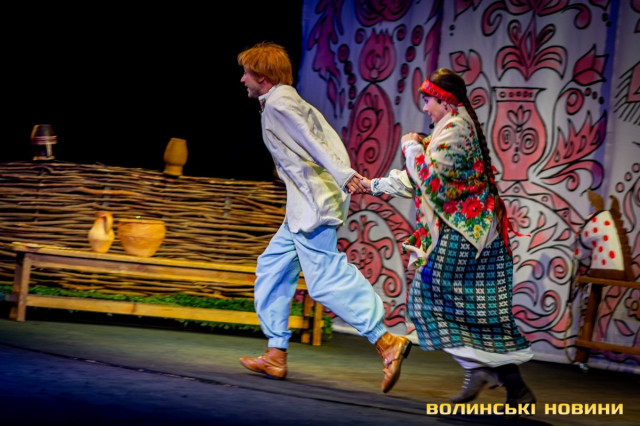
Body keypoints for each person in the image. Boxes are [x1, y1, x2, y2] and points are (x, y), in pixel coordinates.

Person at [236, 41, 411, 393]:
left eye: (247, 73)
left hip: (312, 206)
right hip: (305, 203)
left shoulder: (280, 103)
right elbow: (325, 139)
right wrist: (339, 178)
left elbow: (314, 143)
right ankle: (275, 352)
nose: (243, 79)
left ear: (263, 77)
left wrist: (344, 176)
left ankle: (385, 340)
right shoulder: (286, 100)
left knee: (325, 278)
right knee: (272, 267)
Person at [358, 68, 536, 406]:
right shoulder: (450, 127)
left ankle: (486, 372)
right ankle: (504, 382)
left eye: (428, 101)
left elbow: (429, 181)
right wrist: (372, 185)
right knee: (465, 312)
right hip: (467, 232)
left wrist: (411, 146)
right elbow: (417, 178)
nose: (425, 108)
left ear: (445, 101)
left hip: (466, 233)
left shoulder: (455, 130)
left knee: (427, 302)